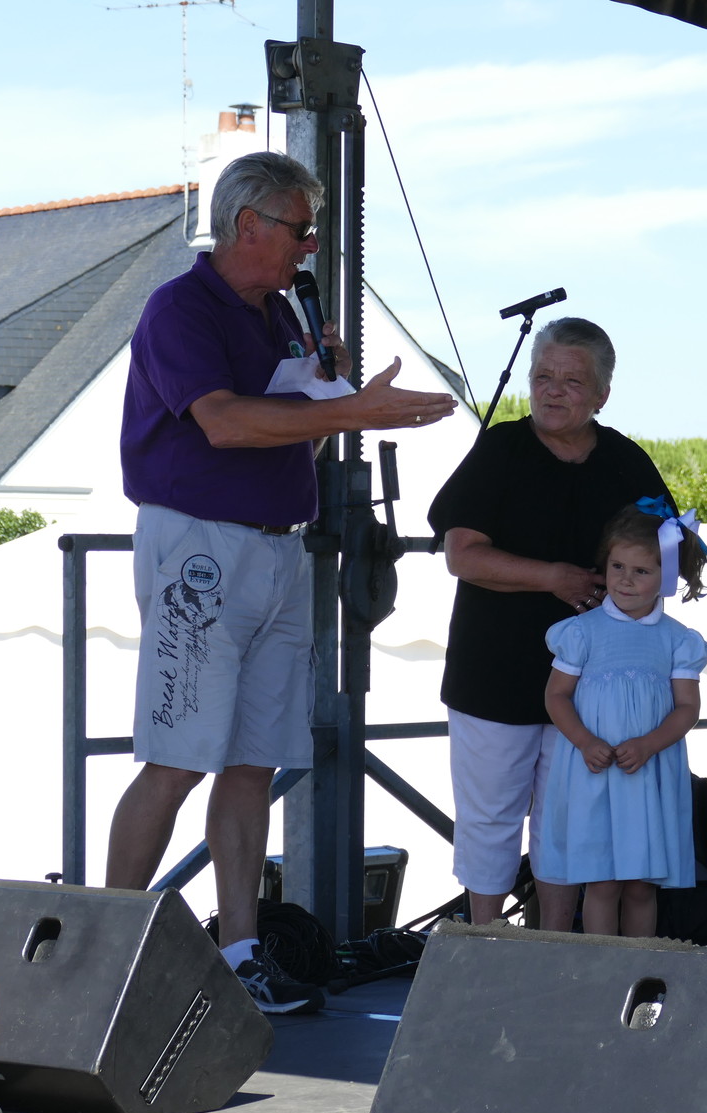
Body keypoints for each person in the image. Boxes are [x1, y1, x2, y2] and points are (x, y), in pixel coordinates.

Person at [107, 150, 456, 1015]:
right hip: (199, 548)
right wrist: (348, 410)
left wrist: (328, 383)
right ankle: (106, 944)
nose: (310, 247)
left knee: (252, 763)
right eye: (301, 229)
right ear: (248, 225)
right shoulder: (179, 308)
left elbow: (292, 423)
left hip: (278, 550)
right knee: (177, 757)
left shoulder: (285, 313)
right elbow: (223, 424)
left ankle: (240, 951)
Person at [427, 318, 671, 929]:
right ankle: (485, 945)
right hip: (495, 676)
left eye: (570, 380)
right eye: (543, 377)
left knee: (566, 824)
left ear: (601, 395)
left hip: (591, 686)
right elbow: (463, 554)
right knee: (490, 821)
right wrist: (555, 578)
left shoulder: (625, 461)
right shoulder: (502, 450)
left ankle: (552, 950)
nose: (553, 391)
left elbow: (668, 551)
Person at [534, 500, 707, 937]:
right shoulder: (583, 631)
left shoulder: (677, 641)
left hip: (647, 775)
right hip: (596, 774)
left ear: (666, 577)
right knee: (603, 882)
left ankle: (638, 971)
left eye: (641, 571)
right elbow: (556, 696)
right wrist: (584, 741)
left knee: (640, 887)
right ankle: (601, 973)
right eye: (617, 567)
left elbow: (688, 707)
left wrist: (650, 744)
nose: (625, 580)